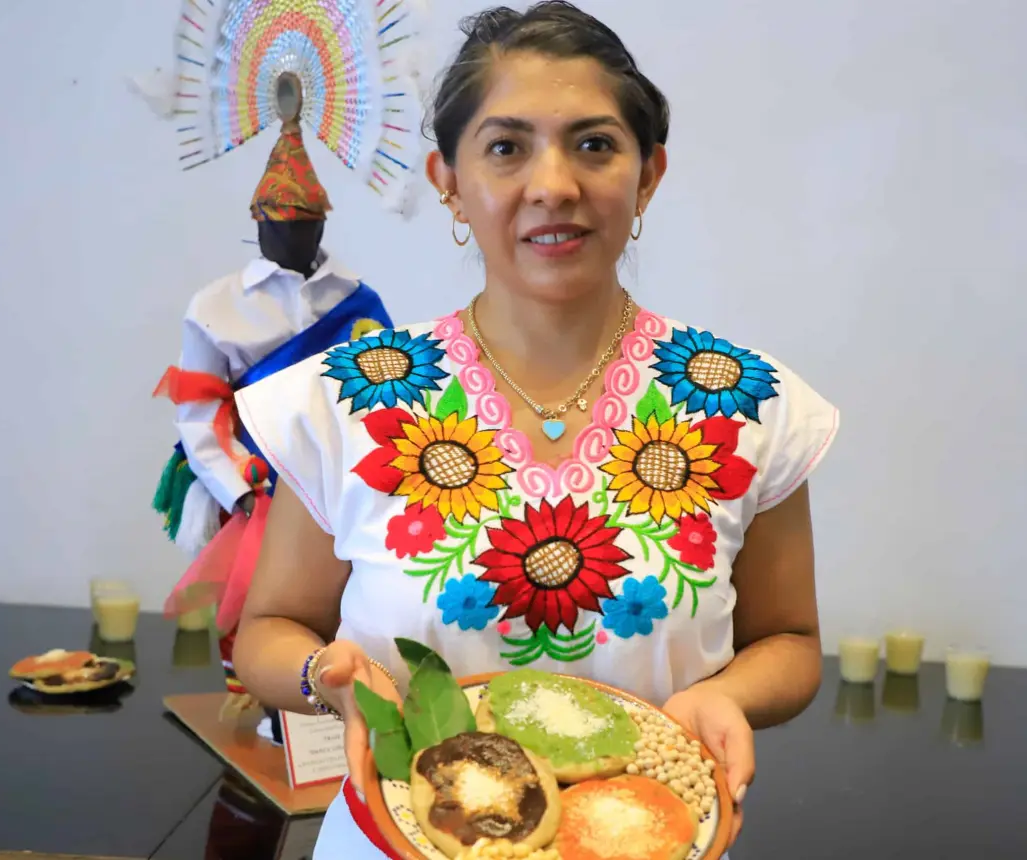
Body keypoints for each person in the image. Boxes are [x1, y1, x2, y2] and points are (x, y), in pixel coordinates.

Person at [231, 3, 840, 856]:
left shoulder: (745, 404)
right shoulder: (349, 401)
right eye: (507, 147)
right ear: (449, 179)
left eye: (594, 144)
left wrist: (731, 693)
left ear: (649, 175)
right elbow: (269, 628)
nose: (554, 184)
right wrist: (321, 675)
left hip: (648, 838)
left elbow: (791, 641)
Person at [152, 94, 394, 720]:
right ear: (258, 222)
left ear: (321, 222)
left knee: (343, 605)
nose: (291, 230)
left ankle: (318, 723)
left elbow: (382, 390)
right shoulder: (216, 306)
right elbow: (200, 414)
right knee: (252, 610)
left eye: (304, 220)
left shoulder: (357, 300)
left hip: (337, 483)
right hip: (253, 484)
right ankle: (258, 714)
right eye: (279, 220)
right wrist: (239, 489)